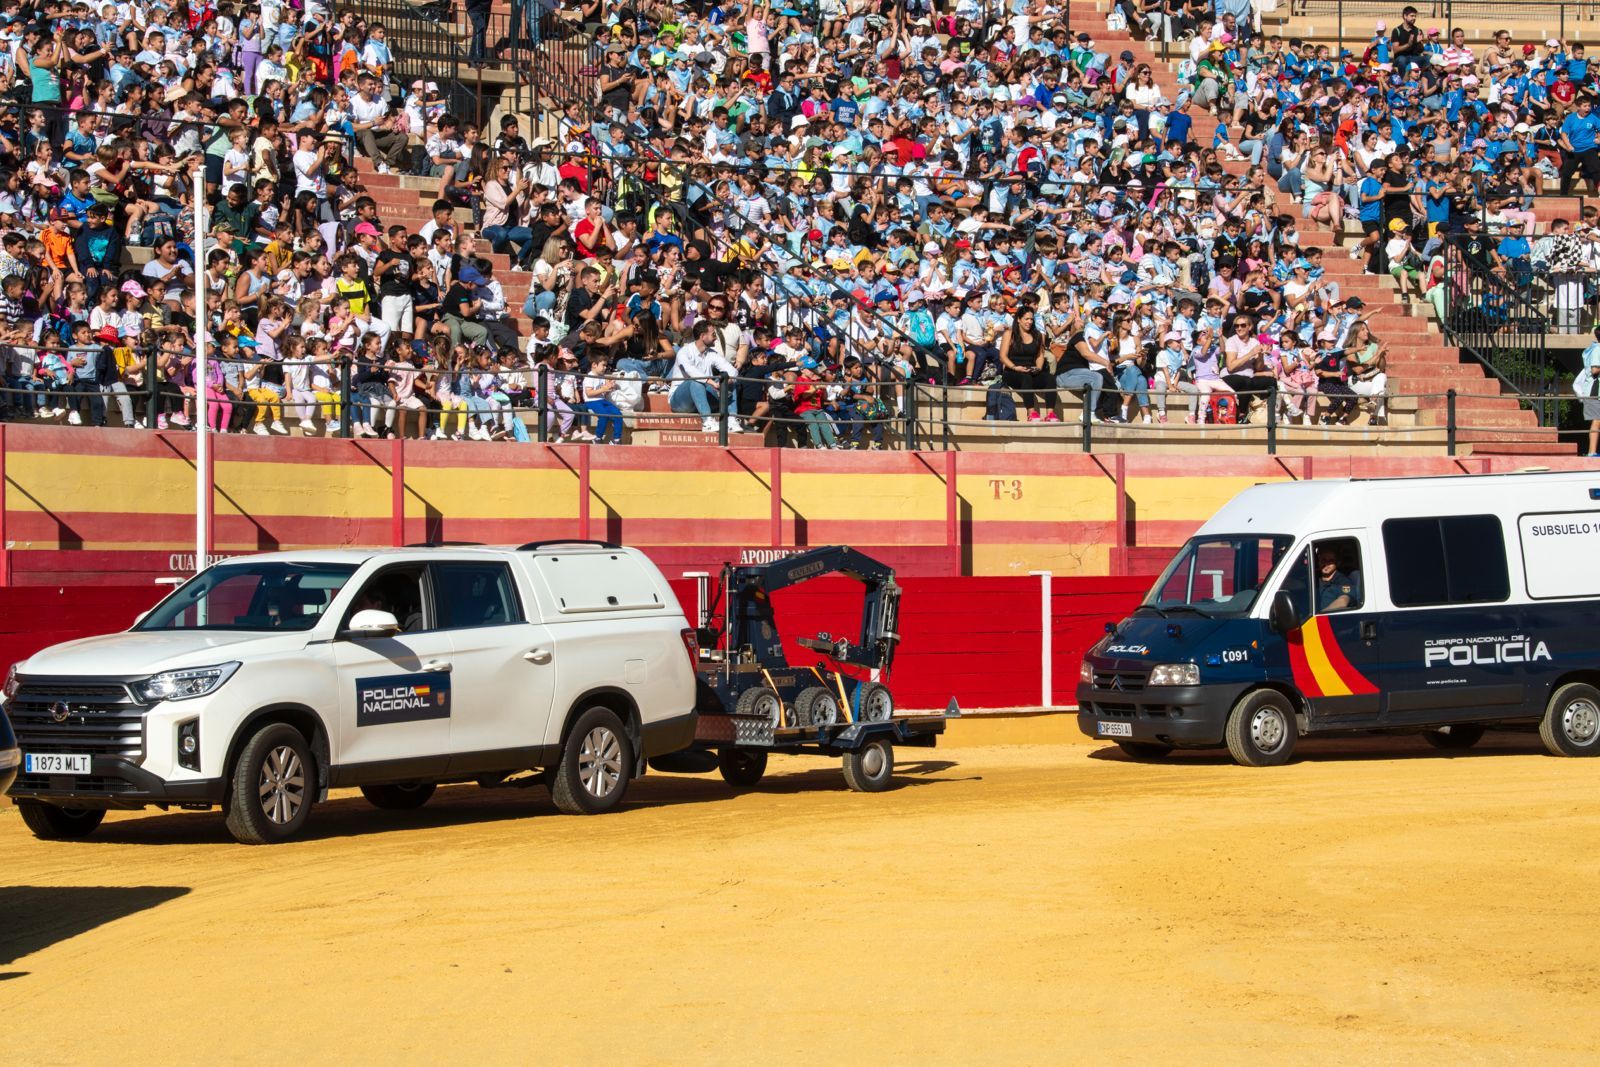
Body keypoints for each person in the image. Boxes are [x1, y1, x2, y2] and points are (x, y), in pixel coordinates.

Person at [1315, 545, 1362, 613]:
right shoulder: (1314, 578)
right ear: (1318, 561)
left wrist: (1321, 614)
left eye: (1331, 561)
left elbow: (1342, 602)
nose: (1326, 563)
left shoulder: (1343, 581)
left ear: (1337, 563)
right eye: (1323, 560)